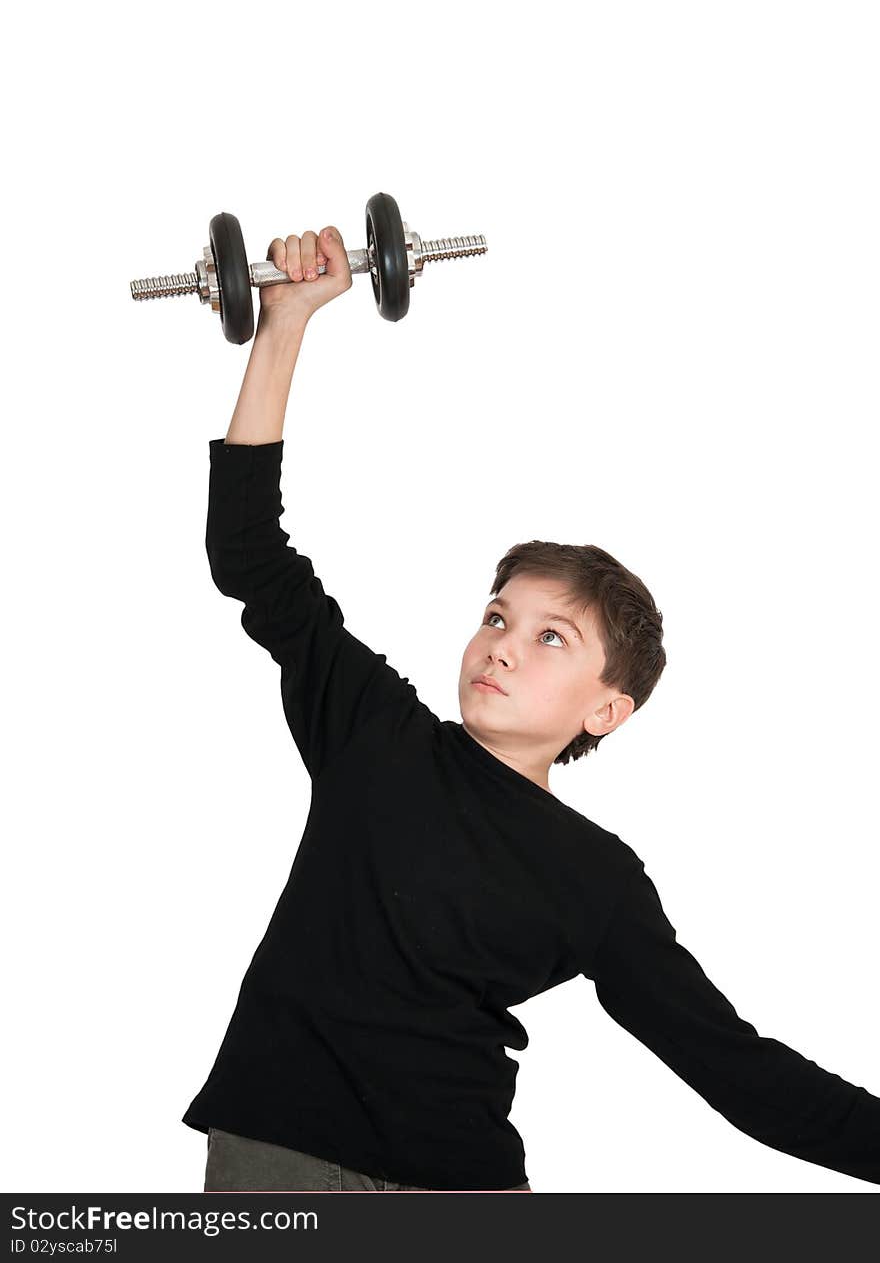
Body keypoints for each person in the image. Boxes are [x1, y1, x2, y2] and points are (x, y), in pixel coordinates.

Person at [184, 225, 880, 1193]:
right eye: (497, 616)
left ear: (608, 709)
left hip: (462, 1191)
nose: (502, 642)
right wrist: (287, 321)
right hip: (280, 1163)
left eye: (552, 637)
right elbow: (249, 552)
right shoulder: (373, 733)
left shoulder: (596, 880)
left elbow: (735, 1069)